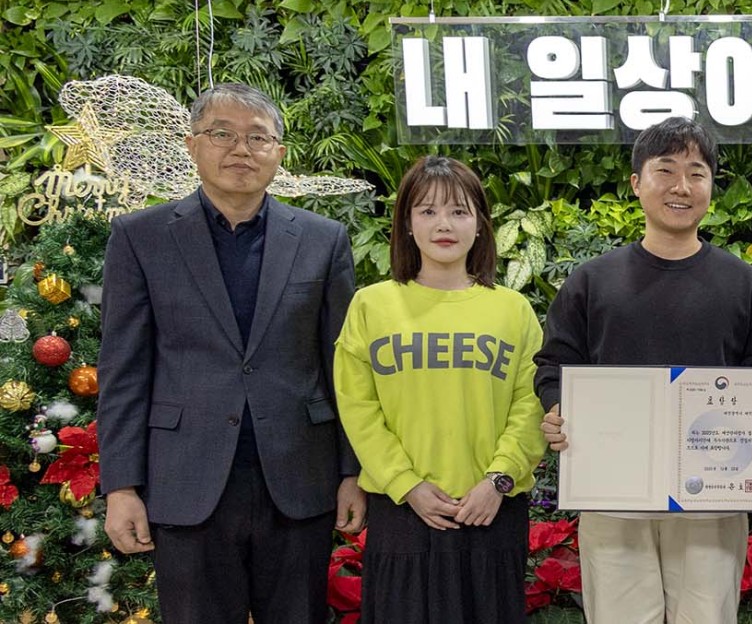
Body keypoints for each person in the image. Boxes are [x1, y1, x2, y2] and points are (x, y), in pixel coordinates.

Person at [97, 83, 365, 623]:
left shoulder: (323, 240)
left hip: (299, 479)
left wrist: (352, 472)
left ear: (278, 154)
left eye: (257, 138)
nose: (241, 150)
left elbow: (344, 369)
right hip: (185, 480)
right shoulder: (140, 237)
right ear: (192, 145)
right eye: (222, 134)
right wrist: (121, 487)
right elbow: (123, 371)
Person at [533, 117, 752, 624]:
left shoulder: (746, 286)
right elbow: (553, 365)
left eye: (696, 173)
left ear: (711, 187)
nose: (681, 186)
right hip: (612, 493)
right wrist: (559, 410)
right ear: (636, 182)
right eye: (665, 170)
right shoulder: (591, 282)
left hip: (713, 495)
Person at [332, 155, 546, 622]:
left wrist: (498, 480)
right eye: (427, 211)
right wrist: (405, 484)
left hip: (491, 510)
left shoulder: (513, 310)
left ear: (480, 224)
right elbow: (358, 408)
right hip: (402, 513)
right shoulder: (371, 306)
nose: (443, 224)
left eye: (459, 211)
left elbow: (531, 406)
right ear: (407, 224)